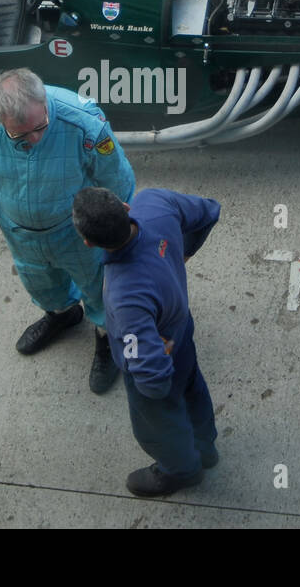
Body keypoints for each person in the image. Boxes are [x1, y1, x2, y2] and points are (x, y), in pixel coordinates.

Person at [0, 68, 135, 392]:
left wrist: (119, 235)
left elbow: (116, 179)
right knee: (38, 280)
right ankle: (62, 314)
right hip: (20, 232)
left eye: (41, 127)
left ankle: (106, 337)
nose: (34, 139)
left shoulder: (83, 122)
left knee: (99, 286)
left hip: (77, 233)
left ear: (44, 102)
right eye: (21, 135)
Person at [72, 186, 220, 497]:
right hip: (181, 330)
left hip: (163, 350)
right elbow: (209, 210)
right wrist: (184, 252)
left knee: (158, 422)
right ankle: (205, 449)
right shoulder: (154, 203)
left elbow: (153, 380)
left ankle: (181, 470)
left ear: (87, 242)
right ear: (125, 208)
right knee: (193, 389)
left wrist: (154, 386)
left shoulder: (125, 297)